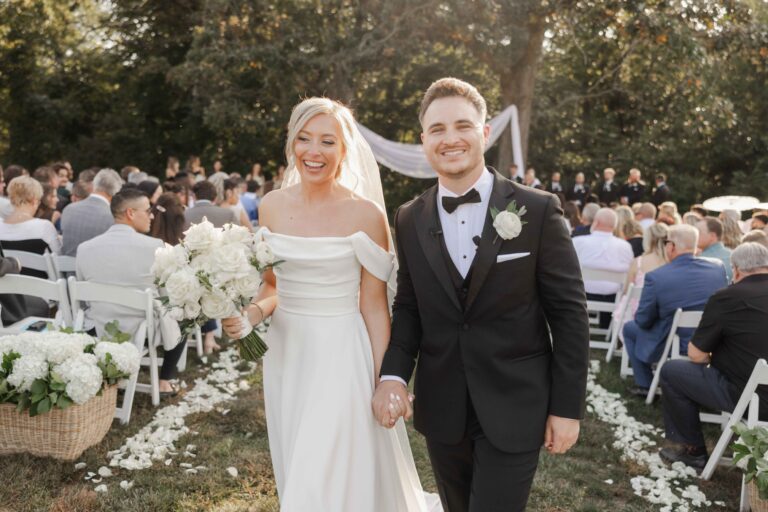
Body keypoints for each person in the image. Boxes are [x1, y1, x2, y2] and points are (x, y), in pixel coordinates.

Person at [373, 78, 589, 511]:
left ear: (484, 133)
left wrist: (568, 408)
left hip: (517, 402)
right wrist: (392, 375)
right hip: (443, 407)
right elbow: (410, 308)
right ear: (423, 141)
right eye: (437, 129)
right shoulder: (409, 218)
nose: (450, 139)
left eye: (462, 126)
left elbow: (569, 315)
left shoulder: (539, 210)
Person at [222, 97, 441, 511]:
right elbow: (271, 287)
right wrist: (250, 314)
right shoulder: (269, 206)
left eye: (327, 141)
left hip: (342, 353)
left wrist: (386, 380)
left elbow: (375, 306)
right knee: (298, 459)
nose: (314, 152)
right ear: (292, 144)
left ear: (344, 151)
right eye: (304, 139)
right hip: (288, 355)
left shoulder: (365, 215)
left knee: (319, 470)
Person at [658, 242, 768, 470]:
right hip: (756, 389)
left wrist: (717, 357)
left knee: (672, 371)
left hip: (753, 399)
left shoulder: (727, 297)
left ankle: (693, 450)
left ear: (736, 270)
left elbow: (696, 355)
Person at [77, 188, 186, 397]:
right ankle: (164, 381)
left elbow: (84, 297)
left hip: (98, 329)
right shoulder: (154, 246)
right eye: (148, 210)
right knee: (182, 313)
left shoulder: (85, 248)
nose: (152, 216)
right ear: (130, 213)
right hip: (141, 332)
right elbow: (167, 297)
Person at [622, 224, 729, 395]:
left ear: (671, 246)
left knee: (629, 328)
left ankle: (645, 384)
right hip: (711, 341)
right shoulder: (717, 268)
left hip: (673, 341)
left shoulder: (657, 277)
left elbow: (643, 320)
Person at [573, 208, 635, 328]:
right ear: (615, 226)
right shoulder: (625, 247)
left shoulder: (578, 242)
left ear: (596, 222)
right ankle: (607, 327)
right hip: (613, 297)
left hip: (582, 295)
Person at [614, 222, 669, 335]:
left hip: (637, 313)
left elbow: (626, 290)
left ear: (647, 240)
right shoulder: (671, 263)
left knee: (626, 300)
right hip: (664, 312)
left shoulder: (638, 262)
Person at [0, 176, 62, 268]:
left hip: (6, 281)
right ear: (34, 200)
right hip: (40, 281)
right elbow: (59, 259)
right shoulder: (44, 227)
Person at [60, 168, 122, 256]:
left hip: (65, 268)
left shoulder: (69, 209)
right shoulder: (113, 216)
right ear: (116, 192)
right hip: (96, 268)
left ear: (94, 185)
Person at [696, 216, 732, 281]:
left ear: (712, 236)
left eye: (698, 232)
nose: (695, 235)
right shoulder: (733, 254)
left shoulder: (701, 261)